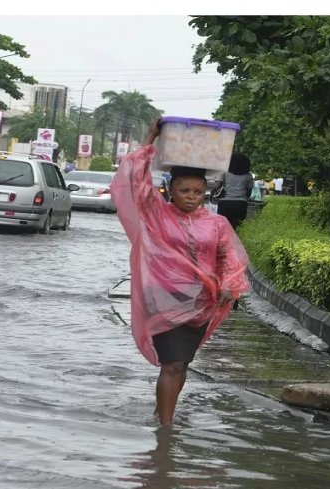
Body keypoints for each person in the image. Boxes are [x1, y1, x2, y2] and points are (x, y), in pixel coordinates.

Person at [110, 121, 249, 427]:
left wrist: (230, 284)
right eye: (184, 190)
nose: (191, 196)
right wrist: (150, 139)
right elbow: (136, 181)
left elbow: (229, 257)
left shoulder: (216, 224)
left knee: (182, 363)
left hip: (200, 303)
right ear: (170, 190)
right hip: (163, 299)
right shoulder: (156, 214)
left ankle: (163, 413)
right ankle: (166, 429)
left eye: (198, 191)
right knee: (172, 363)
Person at [216, 153, 254, 230]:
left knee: (223, 227)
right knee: (237, 227)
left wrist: (212, 195)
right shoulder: (248, 176)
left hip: (224, 203)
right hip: (241, 204)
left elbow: (217, 186)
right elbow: (249, 193)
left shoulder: (224, 172)